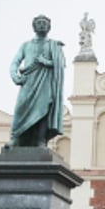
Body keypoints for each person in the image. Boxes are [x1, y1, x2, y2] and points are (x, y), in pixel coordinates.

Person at [8, 14, 66, 148]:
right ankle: (15, 138)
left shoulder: (54, 45)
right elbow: (15, 62)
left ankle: (41, 141)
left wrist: (45, 62)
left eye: (44, 23)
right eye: (39, 22)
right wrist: (15, 76)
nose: (42, 25)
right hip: (27, 82)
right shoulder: (26, 45)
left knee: (44, 109)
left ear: (49, 27)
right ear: (34, 26)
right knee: (20, 109)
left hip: (45, 83)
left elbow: (61, 64)